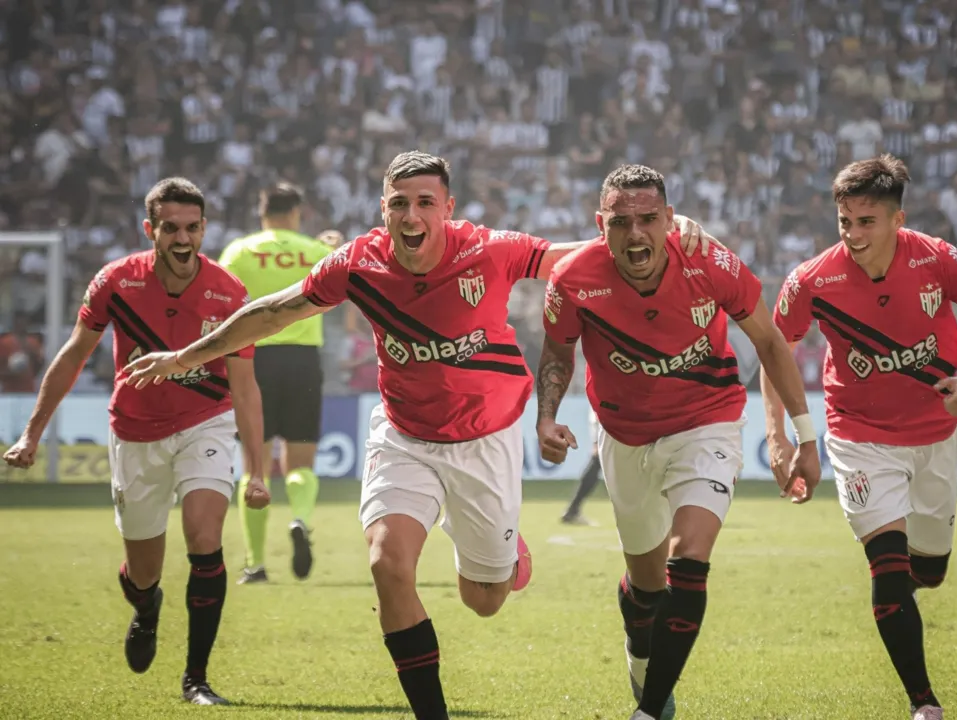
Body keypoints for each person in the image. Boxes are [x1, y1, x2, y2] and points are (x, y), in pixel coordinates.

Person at [121, 152, 715, 719]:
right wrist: (185, 357)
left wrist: (657, 234)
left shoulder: (489, 249)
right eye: (398, 203)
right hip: (404, 434)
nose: (411, 216)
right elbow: (276, 311)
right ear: (384, 209)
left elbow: (579, 253)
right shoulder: (358, 262)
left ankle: (503, 559)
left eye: (424, 202)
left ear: (447, 208)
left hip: (486, 440)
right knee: (387, 562)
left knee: (484, 599)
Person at [535, 164, 822, 720]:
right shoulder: (573, 278)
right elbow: (556, 352)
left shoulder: (711, 263)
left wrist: (799, 435)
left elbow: (769, 340)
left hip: (705, 423)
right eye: (622, 222)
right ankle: (641, 646)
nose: (636, 234)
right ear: (601, 225)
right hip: (623, 435)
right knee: (646, 591)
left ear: (670, 218)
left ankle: (648, 712)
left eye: (648, 219)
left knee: (688, 558)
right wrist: (546, 417)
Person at [762, 155, 957, 720]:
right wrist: (779, 436)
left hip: (935, 434)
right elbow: (774, 351)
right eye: (844, 221)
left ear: (898, 219)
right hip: (859, 437)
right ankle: (923, 703)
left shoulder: (937, 258)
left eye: (867, 221)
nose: (853, 234)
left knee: (929, 571)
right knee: (888, 567)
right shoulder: (810, 280)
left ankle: (904, 595)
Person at [2, 177, 270, 706]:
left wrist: (258, 471)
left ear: (204, 230)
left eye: (192, 228)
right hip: (135, 432)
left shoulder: (229, 292)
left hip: (206, 424)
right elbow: (75, 355)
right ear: (150, 230)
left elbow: (244, 384)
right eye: (170, 228)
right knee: (143, 572)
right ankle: (147, 608)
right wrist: (32, 433)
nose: (182, 238)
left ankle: (197, 679)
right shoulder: (116, 282)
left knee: (203, 535)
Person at [218, 182, 333, 584]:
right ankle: (300, 518)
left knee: (255, 467)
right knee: (300, 464)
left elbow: (220, 303)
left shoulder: (239, 251)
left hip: (254, 361)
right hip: (303, 361)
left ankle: (256, 564)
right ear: (297, 212)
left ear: (262, 212)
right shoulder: (315, 252)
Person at [559, 408, 602, 525]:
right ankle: (572, 510)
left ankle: (572, 510)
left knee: (597, 464)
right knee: (596, 463)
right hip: (607, 420)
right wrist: (596, 441)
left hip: (607, 419)